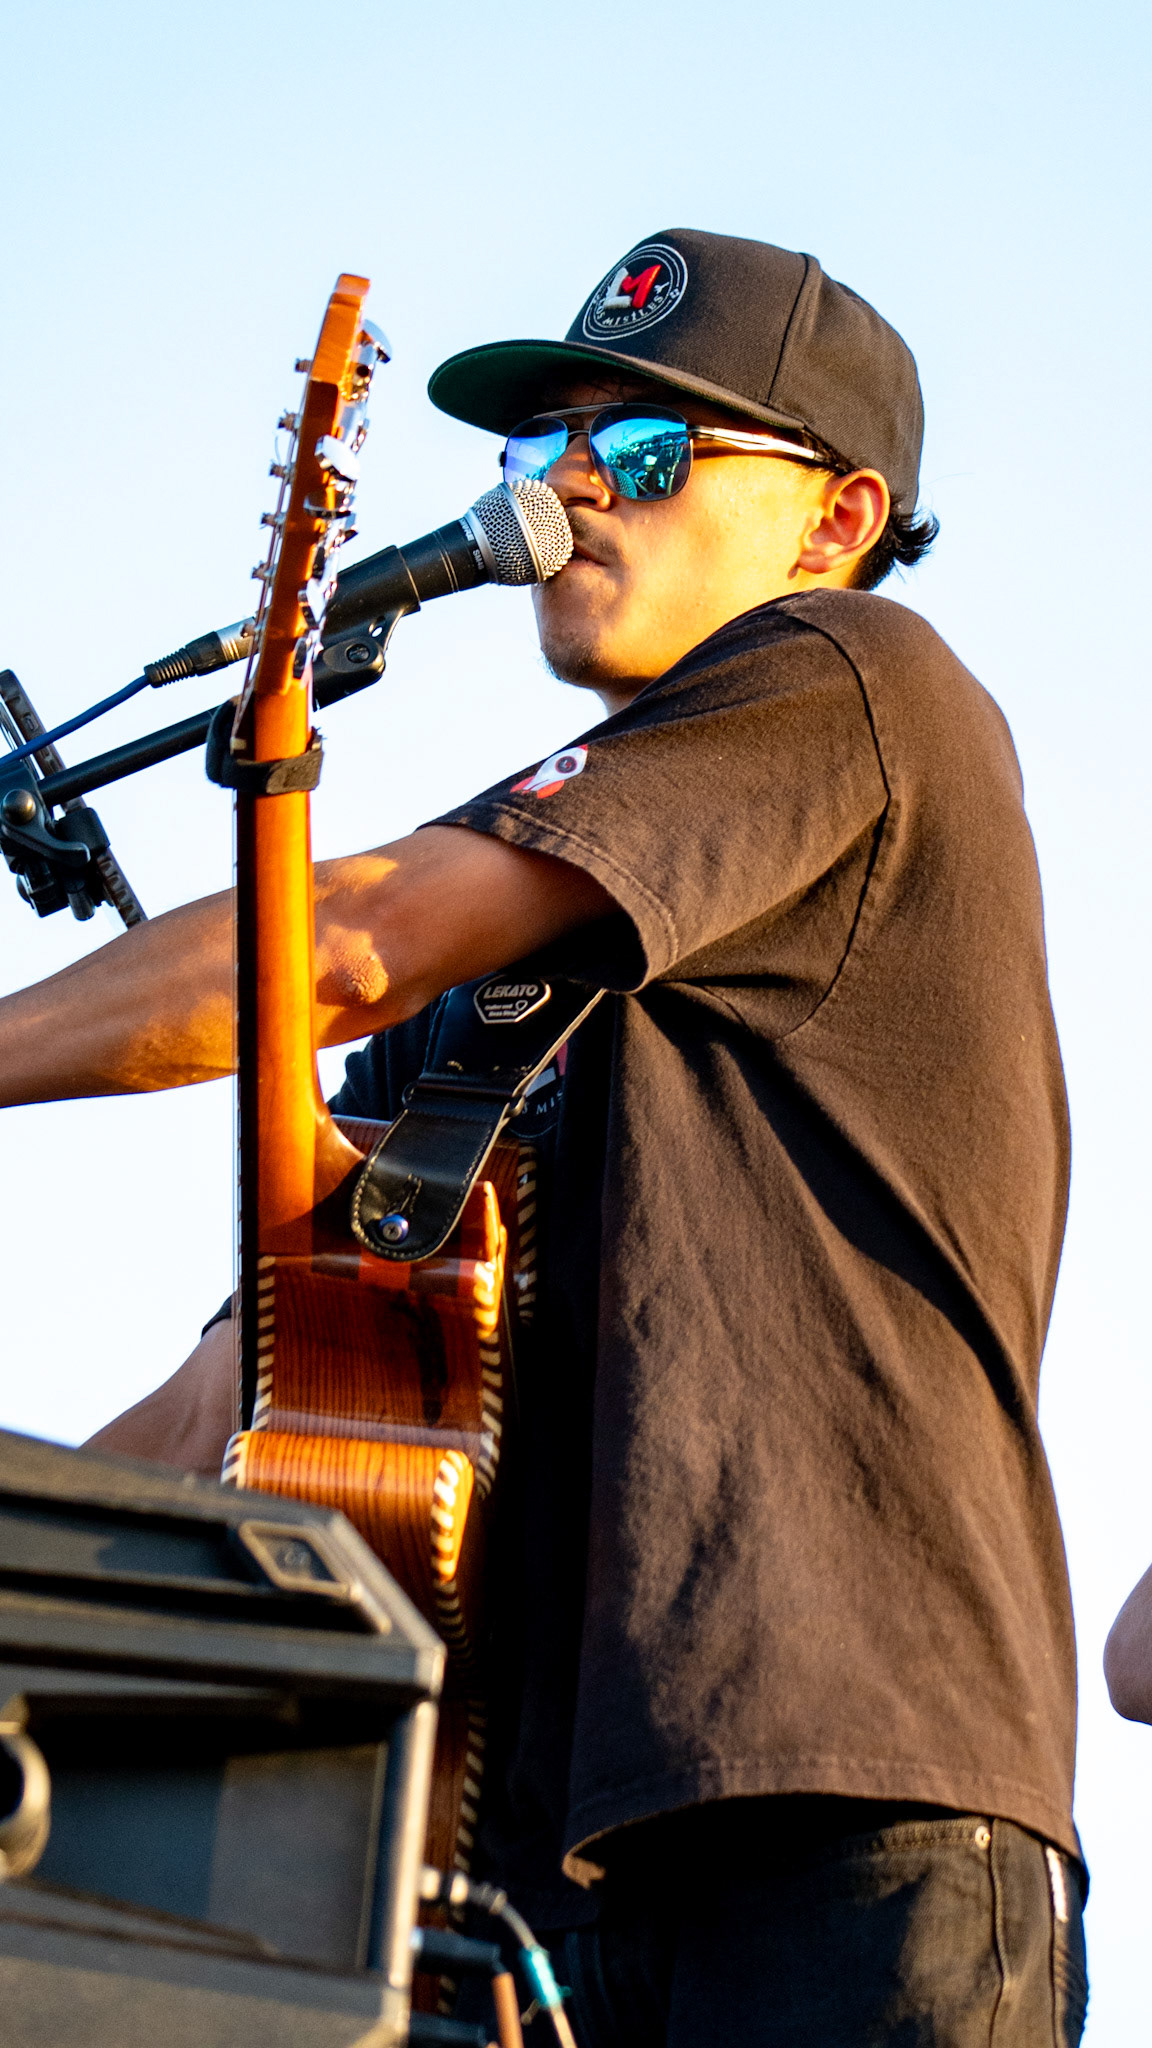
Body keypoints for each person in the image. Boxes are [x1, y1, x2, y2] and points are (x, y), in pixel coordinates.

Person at [0, 230, 1087, 2044]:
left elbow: (341, 942)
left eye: (645, 450)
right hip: (507, 1888)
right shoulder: (496, 950)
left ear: (835, 518)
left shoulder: (857, 674)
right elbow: (236, 1405)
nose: (573, 482)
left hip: (844, 1817)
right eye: (546, 445)